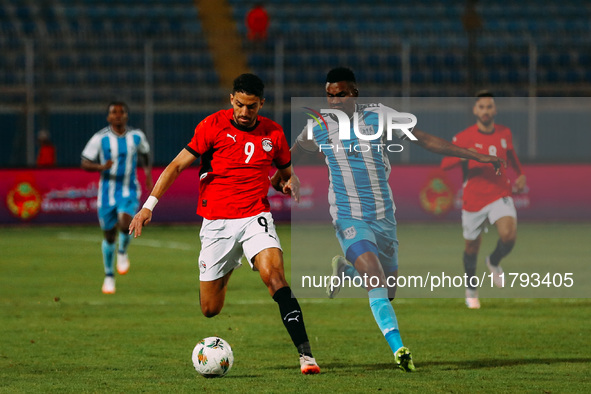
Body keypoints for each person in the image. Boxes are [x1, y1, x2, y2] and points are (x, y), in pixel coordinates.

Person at [281, 67, 504, 372]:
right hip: (347, 216)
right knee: (375, 278)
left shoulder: (379, 116)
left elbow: (424, 139)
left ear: (354, 94)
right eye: (329, 96)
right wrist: (288, 179)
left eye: (340, 95)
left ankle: (346, 272)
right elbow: (287, 159)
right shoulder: (318, 125)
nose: (334, 102)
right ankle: (399, 349)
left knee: (388, 292)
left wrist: (476, 156)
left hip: (384, 216)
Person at [128, 74, 321, 375]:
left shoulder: (274, 134)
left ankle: (306, 357)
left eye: (252, 107)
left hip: (255, 217)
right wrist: (147, 207)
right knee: (210, 309)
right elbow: (177, 165)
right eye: (240, 105)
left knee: (276, 280)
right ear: (231, 99)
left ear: (262, 104)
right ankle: (230, 263)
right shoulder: (212, 126)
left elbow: (285, 173)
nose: (245, 113)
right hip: (217, 223)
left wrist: (289, 182)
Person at [441, 91, 526, 309]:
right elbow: (445, 164)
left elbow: (512, 156)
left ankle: (494, 261)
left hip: (500, 194)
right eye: (482, 107)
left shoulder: (504, 133)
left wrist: (521, 174)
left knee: (509, 235)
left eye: (489, 107)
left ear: (494, 110)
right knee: (471, 249)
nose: (486, 111)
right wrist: (464, 154)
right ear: (475, 110)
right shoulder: (463, 137)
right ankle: (471, 290)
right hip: (473, 200)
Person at [81, 101, 153, 294]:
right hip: (106, 194)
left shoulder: (136, 136)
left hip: (128, 189)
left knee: (124, 223)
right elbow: (85, 161)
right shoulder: (100, 138)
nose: (118, 115)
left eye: (122, 112)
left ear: (126, 116)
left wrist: (147, 174)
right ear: (109, 117)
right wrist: (101, 167)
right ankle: (109, 275)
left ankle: (122, 252)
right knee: (108, 236)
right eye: (114, 112)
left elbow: (145, 154)